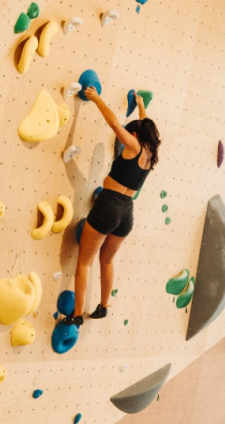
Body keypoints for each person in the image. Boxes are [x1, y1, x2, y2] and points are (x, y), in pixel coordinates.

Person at [61, 88, 159, 325]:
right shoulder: (151, 151)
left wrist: (96, 99)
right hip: (127, 212)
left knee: (84, 261)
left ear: (135, 134)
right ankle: (104, 306)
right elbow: (145, 123)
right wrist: (140, 104)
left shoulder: (133, 145)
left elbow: (115, 124)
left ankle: (76, 316)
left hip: (108, 206)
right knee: (107, 260)